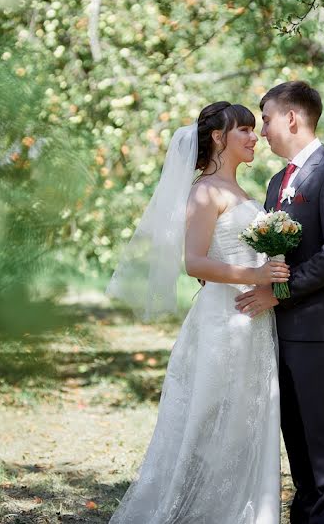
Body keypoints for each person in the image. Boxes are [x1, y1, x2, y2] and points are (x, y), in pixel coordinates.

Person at [106, 101, 287, 524]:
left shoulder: (241, 190)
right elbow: (194, 262)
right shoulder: (205, 191)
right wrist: (255, 273)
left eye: (254, 129)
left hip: (254, 320)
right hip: (223, 320)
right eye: (243, 130)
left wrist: (270, 279)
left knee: (246, 420)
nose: (253, 136)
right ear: (219, 138)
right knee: (211, 421)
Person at [235, 81, 324, 524]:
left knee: (320, 441)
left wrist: (280, 292)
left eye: (266, 118)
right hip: (276, 331)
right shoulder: (276, 182)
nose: (262, 130)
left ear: (292, 117)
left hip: (314, 330)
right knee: (295, 441)